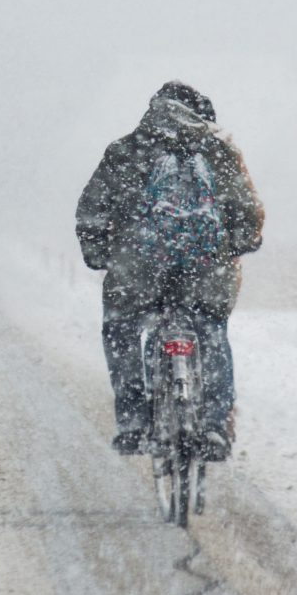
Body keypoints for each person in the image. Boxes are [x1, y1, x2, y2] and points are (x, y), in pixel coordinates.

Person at [75, 82, 264, 459]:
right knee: (210, 331)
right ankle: (213, 426)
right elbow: (247, 210)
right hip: (205, 273)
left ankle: (133, 422)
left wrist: (98, 253)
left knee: (121, 330)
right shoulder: (219, 151)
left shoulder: (127, 151)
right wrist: (242, 241)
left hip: (138, 274)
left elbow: (93, 210)